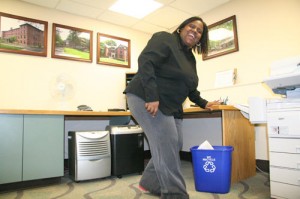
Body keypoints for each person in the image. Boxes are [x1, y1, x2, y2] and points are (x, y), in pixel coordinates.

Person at [123, 16, 220, 199]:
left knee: (173, 144)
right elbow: (146, 61)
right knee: (167, 146)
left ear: (201, 38)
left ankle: (149, 182)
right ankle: (176, 194)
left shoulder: (190, 59)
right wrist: (152, 96)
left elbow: (191, 88)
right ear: (181, 28)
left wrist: (204, 103)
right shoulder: (165, 38)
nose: (195, 31)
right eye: (192, 26)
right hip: (145, 97)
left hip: (170, 106)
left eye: (199, 31)